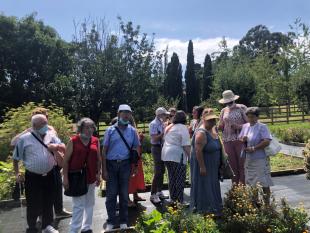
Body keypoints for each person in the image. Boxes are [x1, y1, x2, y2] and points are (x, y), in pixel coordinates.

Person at [10, 107, 72, 219]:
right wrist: (28, 130)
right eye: (45, 117)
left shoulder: (50, 130)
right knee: (38, 196)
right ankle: (40, 217)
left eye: (46, 117)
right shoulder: (30, 133)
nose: (47, 119)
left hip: (53, 164)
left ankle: (58, 210)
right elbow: (13, 142)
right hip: (36, 171)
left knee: (56, 188)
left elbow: (59, 144)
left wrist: (56, 148)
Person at [13, 114, 63, 233]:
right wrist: (16, 173)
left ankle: (47, 225)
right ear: (34, 125)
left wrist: (56, 146)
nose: (46, 126)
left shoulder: (51, 135)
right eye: (42, 124)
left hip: (50, 174)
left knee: (48, 200)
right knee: (33, 202)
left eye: (46, 122)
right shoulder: (24, 139)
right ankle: (32, 227)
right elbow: (15, 158)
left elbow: (62, 146)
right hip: (33, 176)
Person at [102, 104, 140, 230]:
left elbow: (135, 149)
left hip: (125, 164)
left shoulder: (133, 131)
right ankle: (111, 221)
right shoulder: (110, 130)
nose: (126, 115)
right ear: (118, 114)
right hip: (111, 165)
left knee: (124, 194)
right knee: (111, 195)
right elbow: (104, 150)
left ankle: (124, 221)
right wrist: (104, 169)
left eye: (128, 113)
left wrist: (135, 166)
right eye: (124, 113)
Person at [63, 118, 101, 233]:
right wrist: (65, 177)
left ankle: (86, 227)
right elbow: (65, 161)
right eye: (86, 127)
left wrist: (98, 174)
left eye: (91, 127)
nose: (90, 130)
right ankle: (74, 230)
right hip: (77, 177)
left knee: (90, 203)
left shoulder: (95, 140)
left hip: (91, 177)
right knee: (78, 205)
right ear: (81, 129)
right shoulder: (73, 141)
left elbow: (98, 159)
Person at [190, 109, 223, 215]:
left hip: (213, 165)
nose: (212, 122)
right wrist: (202, 167)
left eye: (214, 119)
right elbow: (198, 151)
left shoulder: (213, 129)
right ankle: (205, 209)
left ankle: (214, 207)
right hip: (205, 164)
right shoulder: (201, 133)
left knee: (212, 185)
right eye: (210, 120)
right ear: (203, 119)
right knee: (204, 186)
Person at [239, 107, 273, 203]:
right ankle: (255, 203)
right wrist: (243, 139)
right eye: (248, 117)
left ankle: (267, 204)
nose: (250, 119)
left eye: (252, 117)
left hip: (260, 158)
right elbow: (241, 138)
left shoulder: (262, 126)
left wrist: (254, 148)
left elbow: (267, 141)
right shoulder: (245, 126)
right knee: (251, 181)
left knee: (263, 181)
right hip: (248, 159)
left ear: (257, 117)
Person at [218, 90, 248, 184]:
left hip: (240, 139)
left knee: (242, 164)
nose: (228, 103)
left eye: (230, 101)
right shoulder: (224, 110)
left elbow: (251, 123)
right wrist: (219, 127)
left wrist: (239, 126)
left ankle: (242, 188)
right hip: (227, 140)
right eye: (227, 101)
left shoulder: (241, 108)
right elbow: (221, 125)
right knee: (232, 166)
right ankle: (235, 189)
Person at [162, 111, 191, 203]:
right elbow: (186, 144)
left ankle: (173, 199)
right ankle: (179, 201)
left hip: (166, 154)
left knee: (171, 178)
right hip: (177, 155)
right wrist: (191, 157)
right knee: (179, 178)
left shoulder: (169, 127)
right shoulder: (183, 128)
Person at [149, 107, 170, 204]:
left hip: (162, 147)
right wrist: (163, 133)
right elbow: (154, 139)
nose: (166, 116)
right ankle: (153, 194)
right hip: (156, 148)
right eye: (164, 114)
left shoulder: (162, 123)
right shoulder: (153, 124)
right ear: (159, 115)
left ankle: (159, 191)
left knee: (162, 170)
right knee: (157, 171)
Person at [128, 116, 146, 207]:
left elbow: (138, 144)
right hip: (130, 158)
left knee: (135, 178)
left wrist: (140, 139)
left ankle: (135, 196)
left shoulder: (134, 130)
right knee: (130, 178)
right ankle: (127, 199)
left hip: (136, 157)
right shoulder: (127, 131)